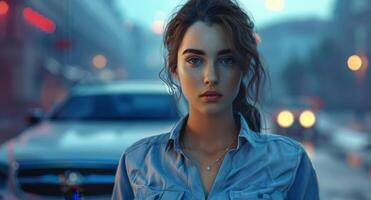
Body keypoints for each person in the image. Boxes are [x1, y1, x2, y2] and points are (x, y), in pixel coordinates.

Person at [112, 0, 319, 199]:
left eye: (226, 60)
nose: (211, 77)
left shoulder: (290, 162)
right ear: (175, 68)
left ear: (242, 67)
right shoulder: (138, 162)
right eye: (194, 60)